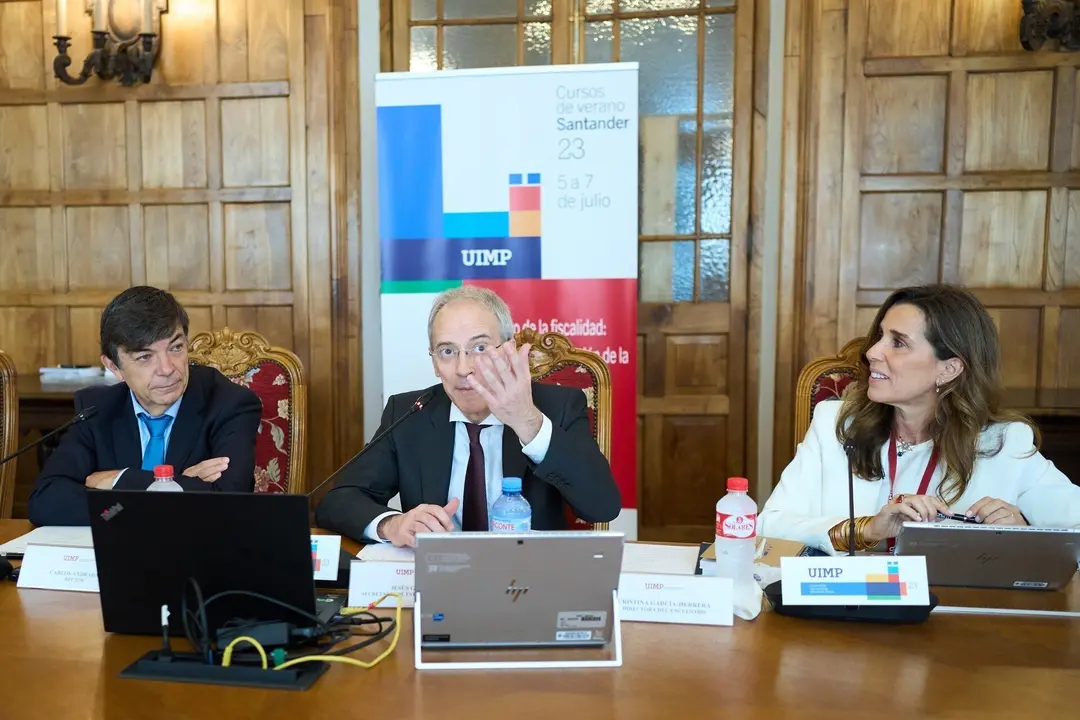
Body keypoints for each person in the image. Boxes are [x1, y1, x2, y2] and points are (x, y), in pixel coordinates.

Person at [759, 284, 1080, 555]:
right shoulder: (836, 424)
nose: (872, 352)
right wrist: (866, 529)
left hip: (952, 608)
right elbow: (768, 527)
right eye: (880, 336)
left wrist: (1024, 533)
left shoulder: (1005, 443)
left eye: (898, 343)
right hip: (844, 604)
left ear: (949, 368)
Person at [316, 286, 621, 547]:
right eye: (447, 351)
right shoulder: (410, 412)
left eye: (479, 347)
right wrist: (391, 525)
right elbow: (338, 501)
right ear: (434, 363)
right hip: (439, 576)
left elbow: (602, 506)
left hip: (530, 576)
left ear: (508, 350)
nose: (464, 369)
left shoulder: (558, 406)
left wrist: (528, 422)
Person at [27, 286, 263, 526]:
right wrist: (175, 484)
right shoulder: (97, 409)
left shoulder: (229, 403)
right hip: (117, 547)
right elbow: (46, 501)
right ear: (114, 367)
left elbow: (230, 503)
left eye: (176, 348)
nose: (167, 369)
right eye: (145, 357)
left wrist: (120, 480)